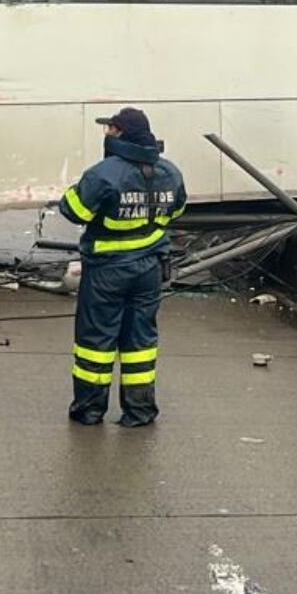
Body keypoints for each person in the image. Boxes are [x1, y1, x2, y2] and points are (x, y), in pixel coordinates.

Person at [55, 108, 187, 427]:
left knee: (96, 341)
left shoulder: (104, 173)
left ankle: (89, 409)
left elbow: (73, 210)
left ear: (118, 133)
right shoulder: (170, 171)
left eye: (109, 129)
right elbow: (177, 209)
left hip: (107, 270)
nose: (106, 135)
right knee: (140, 342)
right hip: (150, 269)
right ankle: (140, 411)